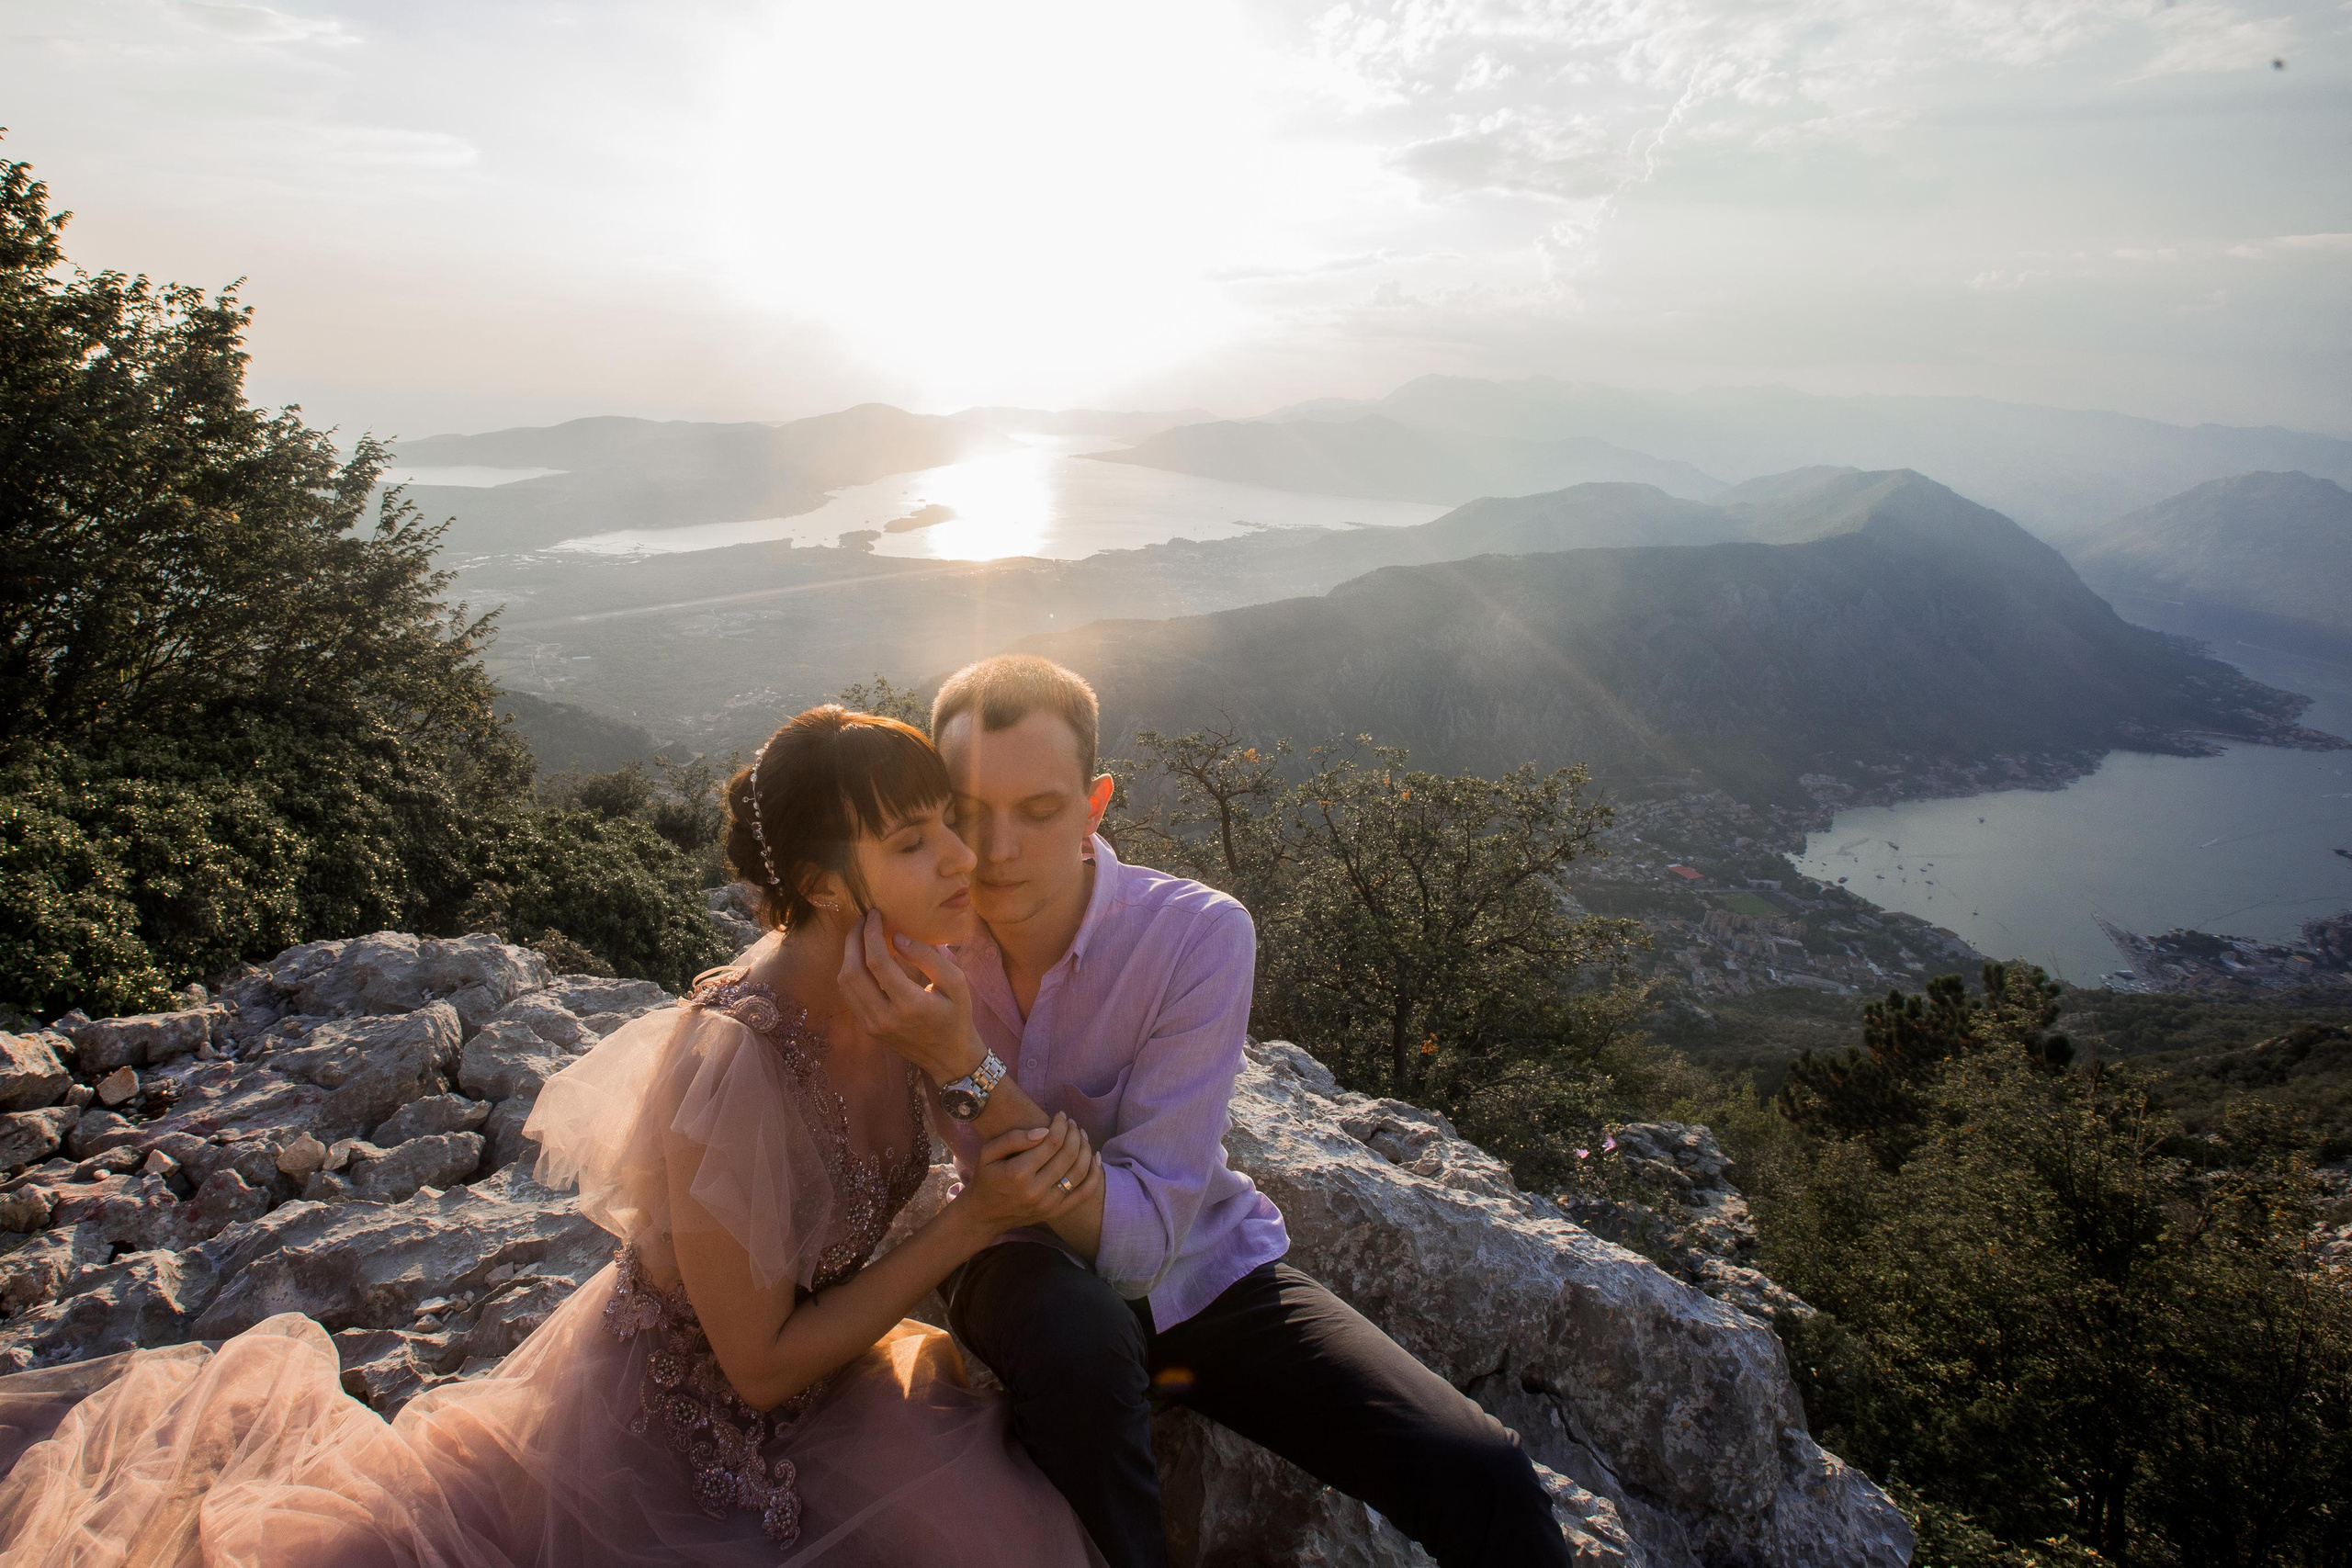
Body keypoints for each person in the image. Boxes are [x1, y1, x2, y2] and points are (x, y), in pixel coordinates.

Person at [0, 705, 1102, 1567]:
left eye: (946, 821)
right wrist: (972, 1226)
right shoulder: (736, 1061)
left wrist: (962, 1056)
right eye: (915, 840)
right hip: (683, 1427)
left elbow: (1037, 1168)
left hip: (841, 1373)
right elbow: (759, 1369)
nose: (961, 857)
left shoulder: (912, 982)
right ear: (821, 883)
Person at [832, 656, 1572, 1568]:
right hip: (1012, 1251)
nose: (999, 848)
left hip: (1200, 1267)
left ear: (1094, 806)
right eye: (969, 811)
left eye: (1040, 810)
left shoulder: (1194, 934)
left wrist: (961, 1062)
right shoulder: (913, 940)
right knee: (1080, 1343)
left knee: (1485, 1477)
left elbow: (1144, 1245)